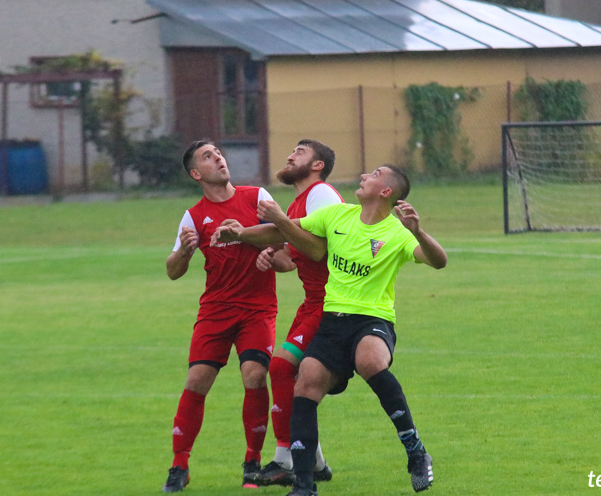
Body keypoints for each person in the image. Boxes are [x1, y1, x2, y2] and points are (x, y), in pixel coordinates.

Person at [219, 164, 447, 495]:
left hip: (372, 319)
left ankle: (415, 450)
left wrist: (418, 232)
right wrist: (240, 233)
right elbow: (282, 231)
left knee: (370, 361)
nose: (365, 175)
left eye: (375, 173)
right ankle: (305, 485)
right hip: (331, 321)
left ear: (385, 191)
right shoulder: (337, 216)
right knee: (305, 385)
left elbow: (438, 261)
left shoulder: (397, 233)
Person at [163, 139, 278, 493]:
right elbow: (172, 270)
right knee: (197, 380)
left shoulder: (257, 197)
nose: (219, 158)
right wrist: (184, 251)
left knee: (254, 375)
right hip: (215, 310)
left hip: (257, 308)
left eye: (218, 153)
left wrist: (264, 249)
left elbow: (286, 234)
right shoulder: (194, 215)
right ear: (197, 173)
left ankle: (252, 463)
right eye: (208, 157)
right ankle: (179, 466)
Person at [227, 139, 343, 487]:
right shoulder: (298, 204)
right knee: (289, 375)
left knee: (280, 368)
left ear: (318, 164)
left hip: (331, 303)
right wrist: (261, 250)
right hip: (311, 303)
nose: (291, 155)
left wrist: (259, 230)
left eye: (300, 152)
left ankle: (285, 458)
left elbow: (319, 250)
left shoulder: (321, 194)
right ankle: (314, 459)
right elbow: (291, 254)